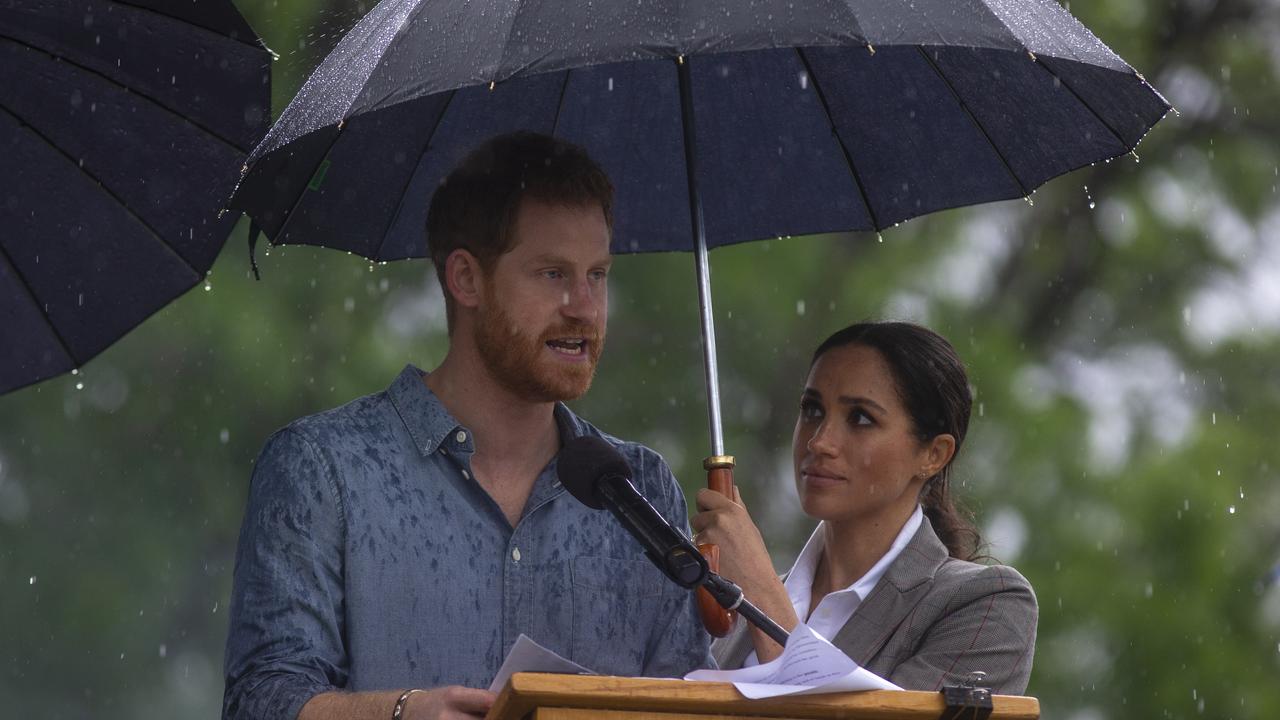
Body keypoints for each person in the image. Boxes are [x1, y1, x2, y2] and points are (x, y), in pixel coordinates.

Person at [222, 132, 711, 720]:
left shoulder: (645, 491)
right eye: (553, 274)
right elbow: (261, 700)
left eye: (598, 275)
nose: (584, 306)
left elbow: (689, 703)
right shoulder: (320, 470)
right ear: (466, 279)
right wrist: (399, 714)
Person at [692, 321, 1037, 693]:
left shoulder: (987, 606)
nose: (820, 441)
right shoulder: (732, 611)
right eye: (812, 410)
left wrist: (761, 597)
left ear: (933, 455)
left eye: (860, 418)